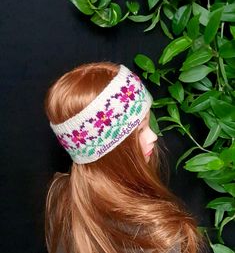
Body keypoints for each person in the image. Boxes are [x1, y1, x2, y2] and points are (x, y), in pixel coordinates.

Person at [44, 62, 203, 253]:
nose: (153, 137)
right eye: (140, 131)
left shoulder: (61, 197)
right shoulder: (159, 238)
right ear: (109, 148)